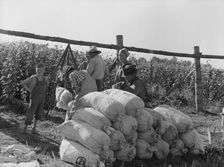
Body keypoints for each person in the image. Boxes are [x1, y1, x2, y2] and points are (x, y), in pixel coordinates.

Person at [21, 63, 49, 133]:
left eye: (41, 70)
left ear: (44, 70)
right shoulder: (33, 78)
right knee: (30, 113)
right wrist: (30, 90)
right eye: (38, 70)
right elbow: (23, 83)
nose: (39, 71)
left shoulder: (45, 78)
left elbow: (46, 86)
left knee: (38, 113)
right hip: (34, 98)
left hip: (42, 97)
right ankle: (25, 128)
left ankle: (34, 128)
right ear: (36, 70)